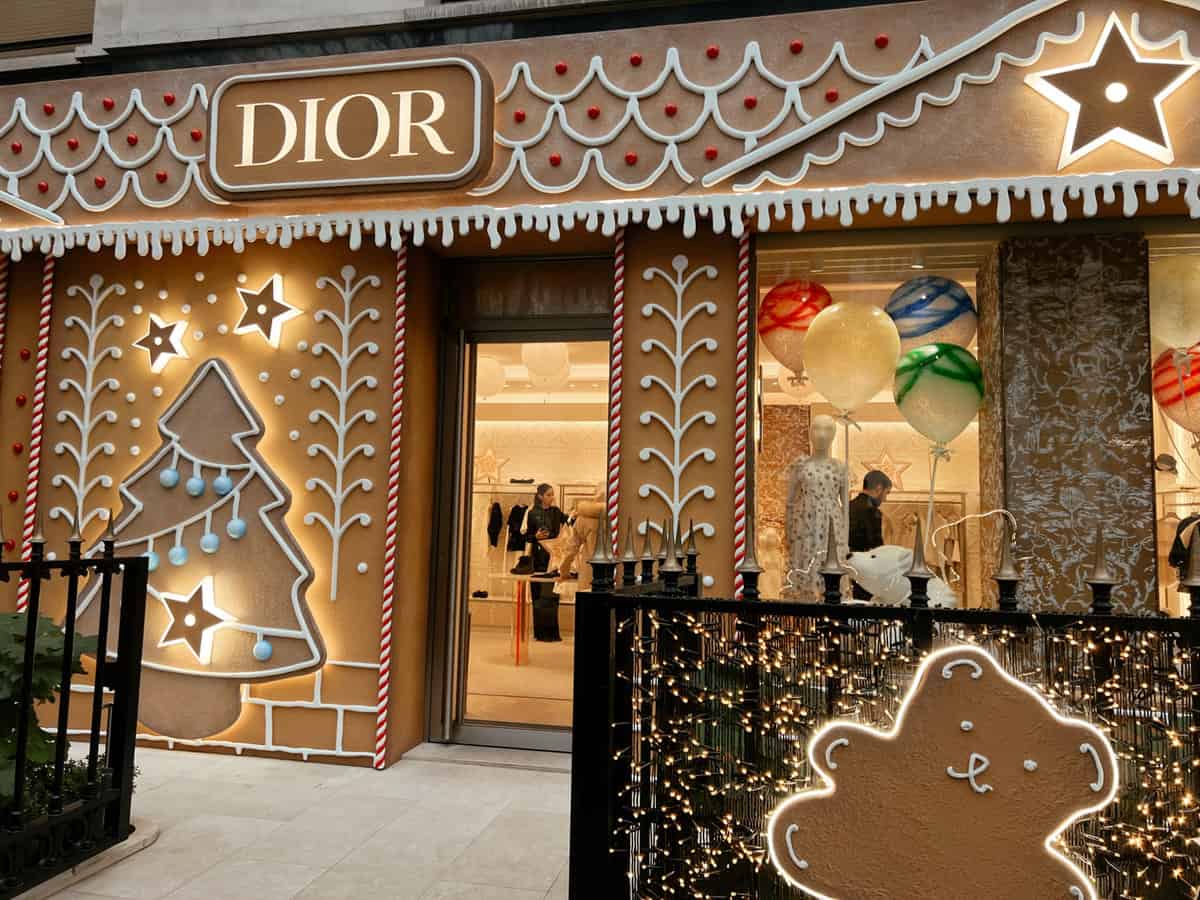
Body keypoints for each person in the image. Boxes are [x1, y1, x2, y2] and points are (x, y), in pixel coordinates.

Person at [524, 483, 567, 642]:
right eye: (548, 494)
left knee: (552, 595)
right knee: (538, 595)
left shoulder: (556, 512)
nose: (552, 497)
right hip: (538, 558)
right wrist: (535, 537)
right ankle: (540, 633)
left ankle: (552, 633)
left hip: (554, 558)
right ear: (540, 496)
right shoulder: (532, 513)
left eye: (552, 494)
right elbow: (527, 537)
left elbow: (570, 522)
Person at [849, 470, 892, 600]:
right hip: (865, 572)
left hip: (847, 568)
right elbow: (876, 548)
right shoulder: (872, 511)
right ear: (879, 488)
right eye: (886, 493)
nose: (885, 499)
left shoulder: (848, 506)